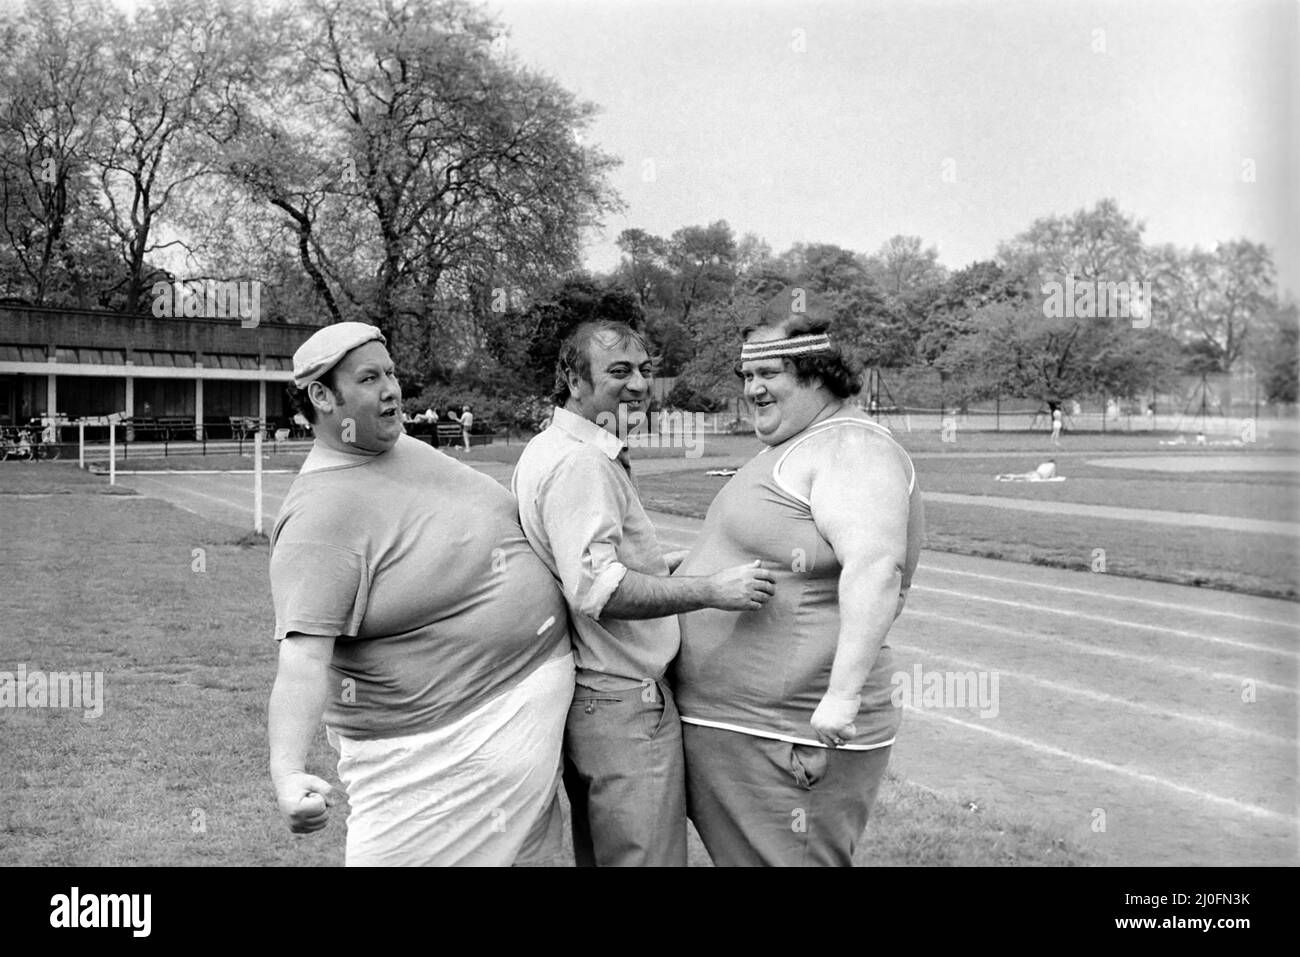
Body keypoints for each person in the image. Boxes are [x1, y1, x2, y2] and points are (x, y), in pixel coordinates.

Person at [267, 321, 574, 866]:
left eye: (391, 373)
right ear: (320, 395)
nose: (391, 389)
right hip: (429, 774)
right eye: (368, 378)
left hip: (517, 747)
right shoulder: (319, 519)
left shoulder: (402, 449)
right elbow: (301, 660)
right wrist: (288, 772)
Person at [673, 288, 925, 867]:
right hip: (747, 727)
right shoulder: (804, 443)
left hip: (789, 734)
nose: (750, 387)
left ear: (817, 375)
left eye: (768, 372)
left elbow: (875, 568)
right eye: (746, 373)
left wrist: (840, 699)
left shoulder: (851, 446)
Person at [511, 318, 776, 867]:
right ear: (573, 379)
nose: (637, 385)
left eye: (644, 371)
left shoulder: (558, 445)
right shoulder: (581, 462)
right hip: (623, 702)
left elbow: (587, 562)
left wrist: (666, 564)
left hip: (597, 699)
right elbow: (599, 590)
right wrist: (708, 589)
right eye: (619, 371)